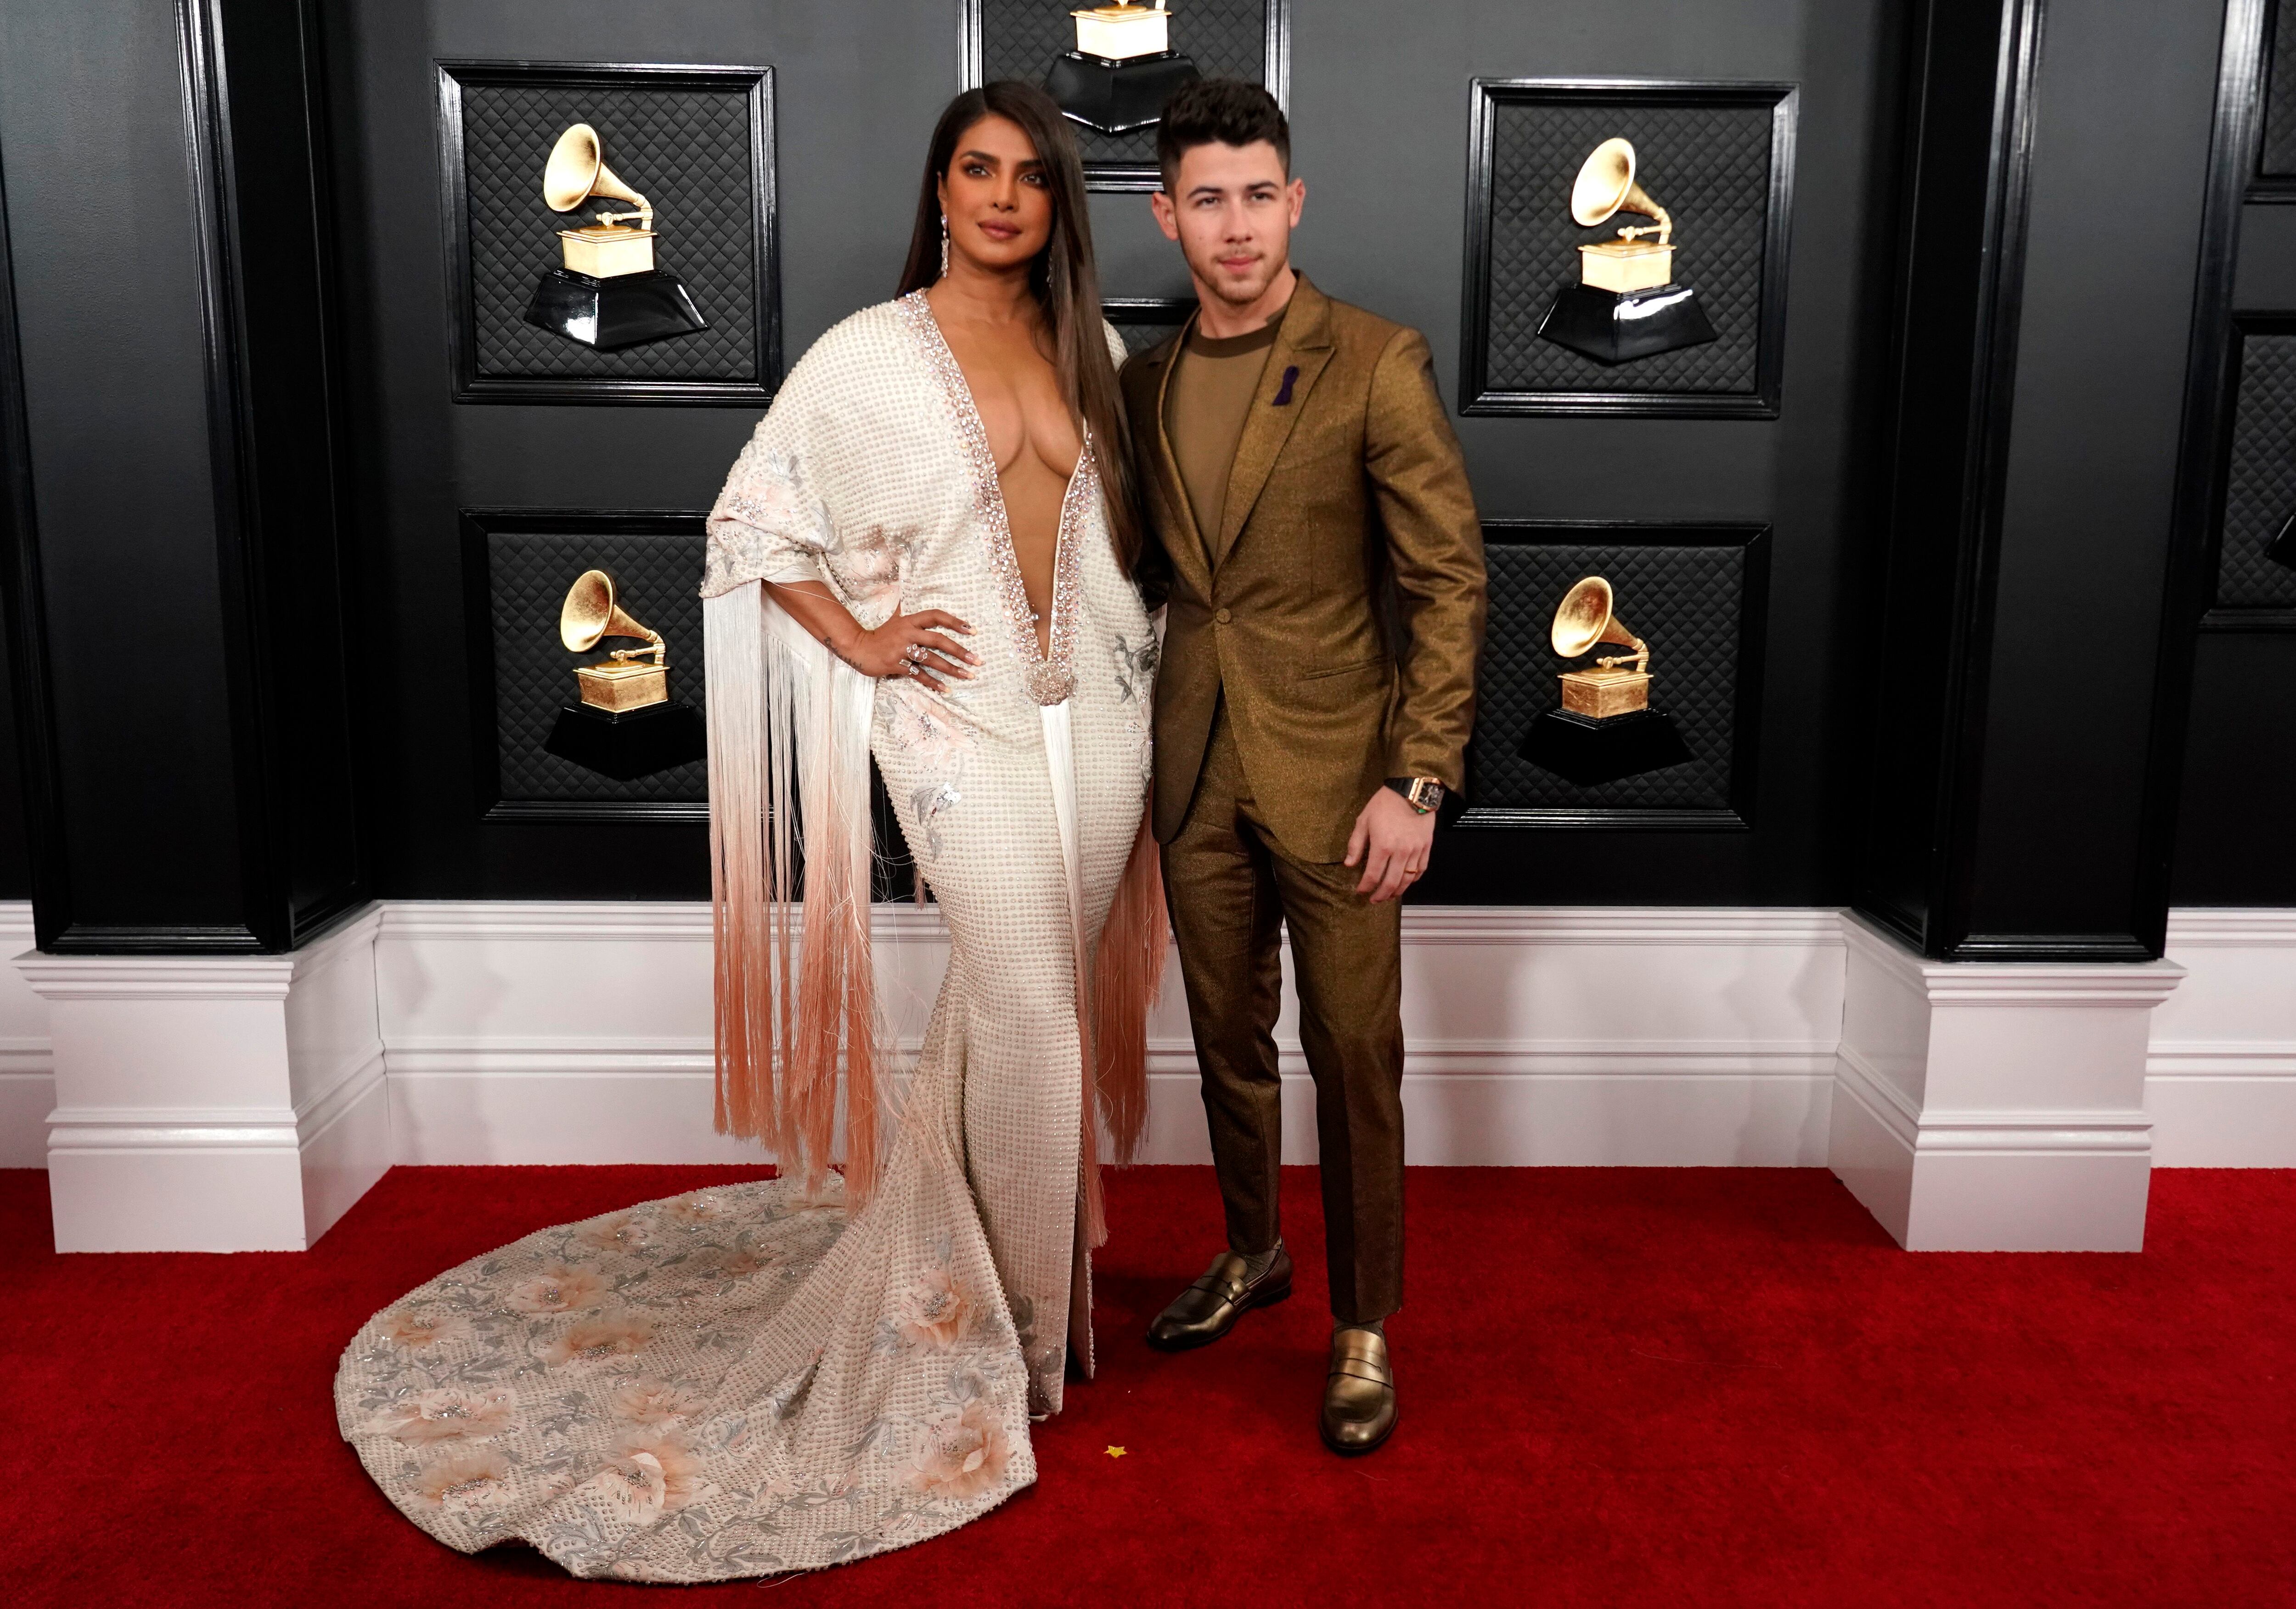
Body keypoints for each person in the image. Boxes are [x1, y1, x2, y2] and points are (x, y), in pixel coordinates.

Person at [333, 83, 1167, 1581]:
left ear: (1059, 206)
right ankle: (1025, 1350)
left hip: (1101, 716)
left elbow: (1138, 549)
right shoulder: (869, 356)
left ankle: (976, 1285)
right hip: (953, 726)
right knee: (1038, 1015)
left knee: (1002, 1010)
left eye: (1031, 178)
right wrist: (858, 641)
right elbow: (751, 521)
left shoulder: (1091, 348)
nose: (1001, 198)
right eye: (975, 170)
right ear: (939, 189)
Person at [1120, 79, 1486, 1457]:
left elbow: (1449, 583)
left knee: (1353, 1054)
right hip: (1196, 763)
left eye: (1258, 195)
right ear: (1168, 214)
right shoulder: (1145, 382)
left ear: (1295, 201)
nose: (1235, 226)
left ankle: (1363, 1328)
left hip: (1348, 783)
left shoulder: (1376, 360)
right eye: (1206, 199)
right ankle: (1253, 1250)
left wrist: (1423, 779)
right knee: (1226, 1043)